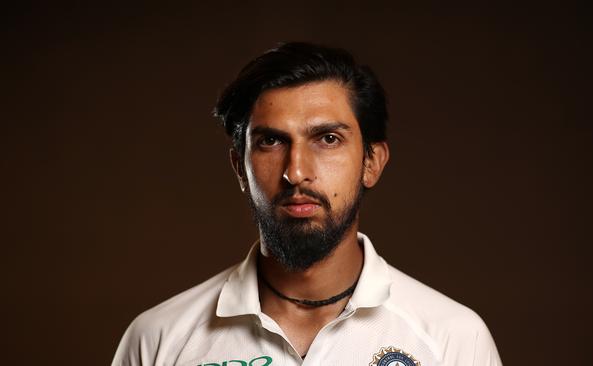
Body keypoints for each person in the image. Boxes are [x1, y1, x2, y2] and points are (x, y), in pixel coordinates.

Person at [112, 42, 502, 366]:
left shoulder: (453, 339)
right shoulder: (158, 340)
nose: (296, 172)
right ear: (239, 167)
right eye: (271, 142)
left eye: (327, 139)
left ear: (371, 162)